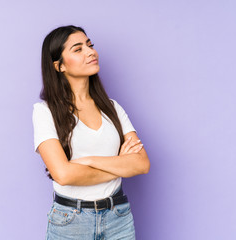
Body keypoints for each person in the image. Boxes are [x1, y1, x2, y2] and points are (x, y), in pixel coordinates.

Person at [32, 25, 150, 240]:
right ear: (59, 66)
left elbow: (142, 164)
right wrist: (120, 165)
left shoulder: (112, 108)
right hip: (71, 221)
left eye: (89, 45)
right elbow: (64, 174)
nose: (90, 52)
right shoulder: (44, 112)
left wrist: (87, 161)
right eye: (78, 49)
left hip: (119, 217)